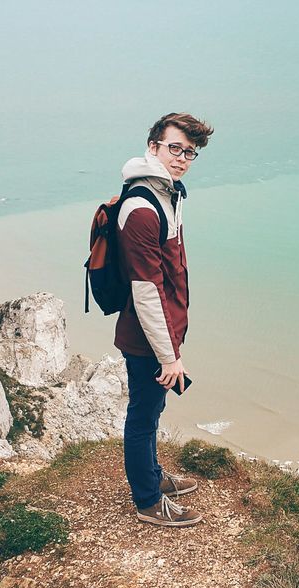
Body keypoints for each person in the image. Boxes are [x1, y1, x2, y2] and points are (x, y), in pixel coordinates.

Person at [115, 112, 214, 527]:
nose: (183, 158)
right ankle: (148, 500)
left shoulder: (167, 195)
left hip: (159, 332)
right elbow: (146, 289)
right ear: (153, 146)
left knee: (152, 411)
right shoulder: (142, 207)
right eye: (175, 148)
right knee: (143, 415)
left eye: (190, 152)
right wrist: (169, 355)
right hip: (148, 336)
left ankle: (153, 476)